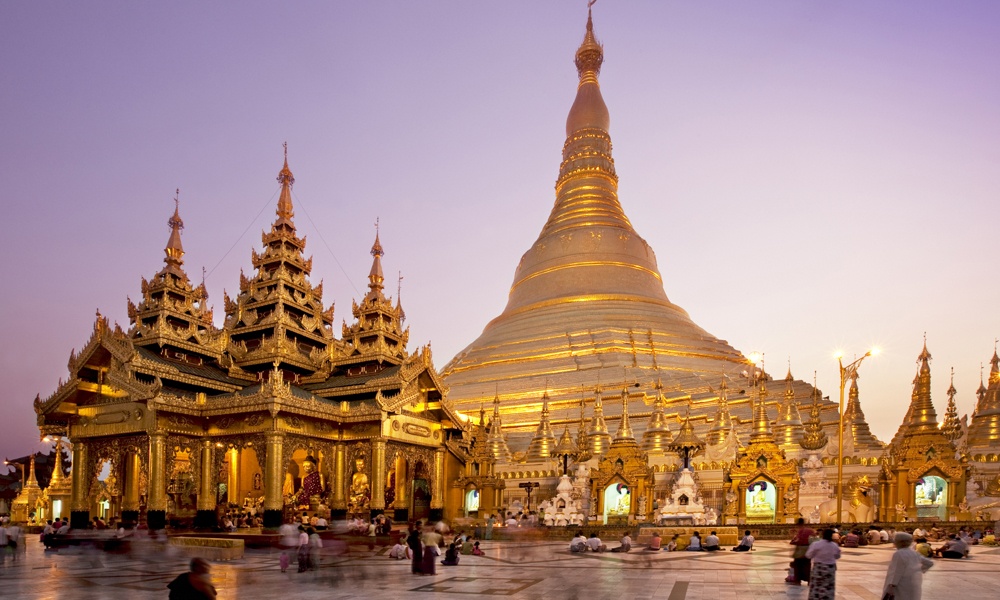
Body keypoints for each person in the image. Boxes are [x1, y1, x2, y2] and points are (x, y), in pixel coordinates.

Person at [883, 532, 933, 600]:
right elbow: (929, 563)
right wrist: (918, 570)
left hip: (901, 584)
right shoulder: (914, 552)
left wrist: (892, 585)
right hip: (914, 582)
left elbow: (897, 571)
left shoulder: (899, 553)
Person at [805, 528, 841, 600]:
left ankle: (815, 597)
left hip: (819, 568)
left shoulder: (816, 544)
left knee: (817, 584)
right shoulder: (834, 545)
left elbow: (808, 555)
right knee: (828, 585)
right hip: (830, 568)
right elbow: (837, 556)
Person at [788, 518, 814, 585]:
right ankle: (809, 580)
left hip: (800, 550)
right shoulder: (810, 530)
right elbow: (814, 539)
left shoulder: (800, 531)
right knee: (807, 565)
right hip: (808, 550)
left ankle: (797, 580)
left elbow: (797, 540)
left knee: (798, 565)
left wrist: (793, 538)